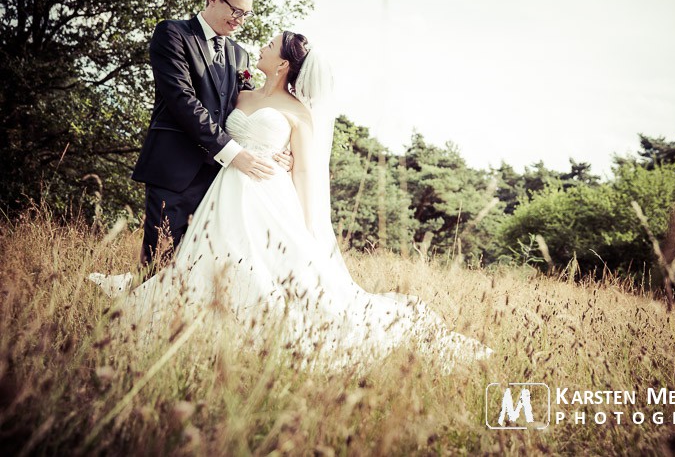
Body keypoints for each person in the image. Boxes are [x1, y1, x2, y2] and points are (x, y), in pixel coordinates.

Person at [95, 30, 493, 373]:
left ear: (284, 63)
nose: (262, 47)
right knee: (209, 257)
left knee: (259, 264)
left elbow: (304, 169)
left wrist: (307, 222)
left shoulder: (300, 111)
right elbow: (212, 129)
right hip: (225, 188)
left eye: (271, 45)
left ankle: (257, 327)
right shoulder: (239, 92)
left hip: (268, 195)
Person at [131, 0, 290, 270]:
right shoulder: (172, 33)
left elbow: (246, 110)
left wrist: (282, 153)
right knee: (159, 267)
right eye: (236, 11)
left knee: (202, 270)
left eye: (246, 15)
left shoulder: (239, 55)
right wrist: (233, 154)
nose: (240, 21)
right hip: (174, 171)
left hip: (221, 183)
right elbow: (182, 100)